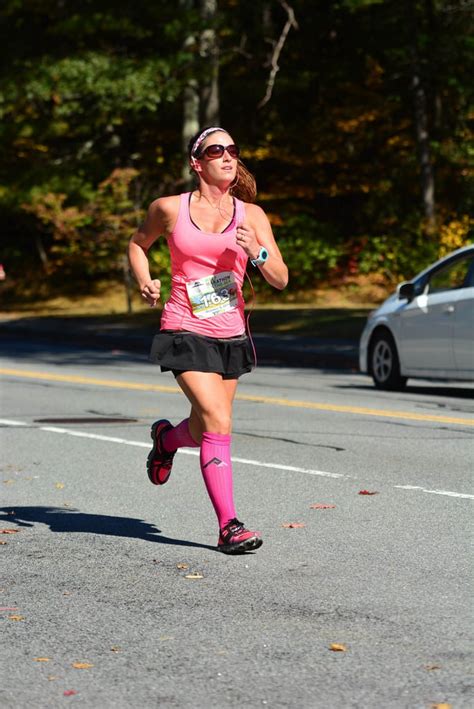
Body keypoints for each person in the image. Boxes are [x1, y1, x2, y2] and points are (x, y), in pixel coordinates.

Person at [128, 126, 288, 554]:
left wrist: (258, 250)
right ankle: (228, 526)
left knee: (203, 428)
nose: (228, 156)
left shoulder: (251, 215)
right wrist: (145, 281)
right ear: (196, 162)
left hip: (230, 333)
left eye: (233, 149)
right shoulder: (169, 209)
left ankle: (165, 440)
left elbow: (280, 279)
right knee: (218, 421)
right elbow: (137, 244)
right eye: (217, 150)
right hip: (184, 325)